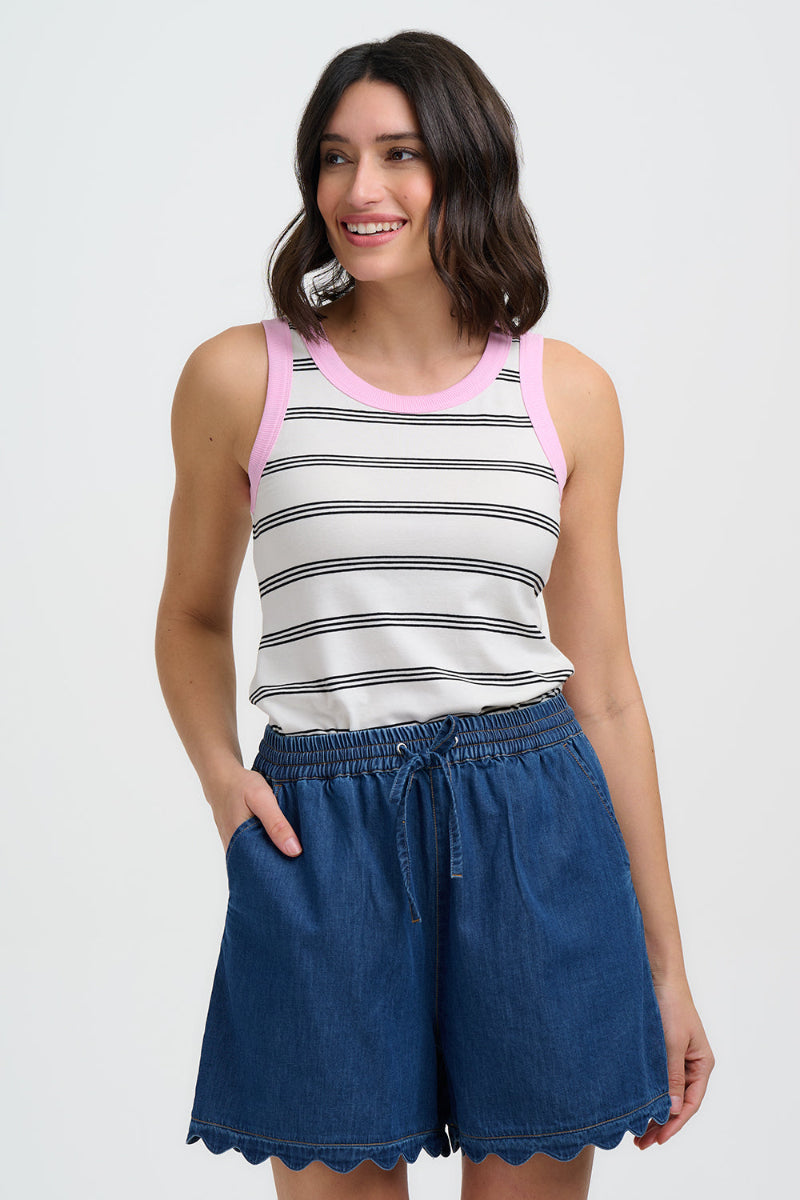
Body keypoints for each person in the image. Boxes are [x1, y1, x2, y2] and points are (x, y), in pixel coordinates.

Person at [155, 29, 714, 1200]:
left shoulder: (565, 393)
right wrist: (220, 778)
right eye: (334, 156)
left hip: (531, 817)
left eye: (399, 153)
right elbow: (192, 617)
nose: (359, 189)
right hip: (321, 825)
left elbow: (606, 691)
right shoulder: (240, 378)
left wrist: (666, 970)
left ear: (467, 165)